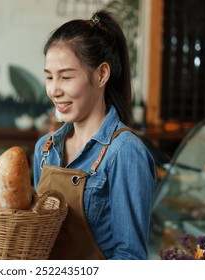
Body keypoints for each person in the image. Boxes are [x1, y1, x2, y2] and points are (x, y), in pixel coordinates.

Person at [33, 10, 157, 260]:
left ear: (101, 74)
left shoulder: (125, 152)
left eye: (66, 77)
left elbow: (130, 258)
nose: (54, 90)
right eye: (49, 77)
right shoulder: (44, 149)